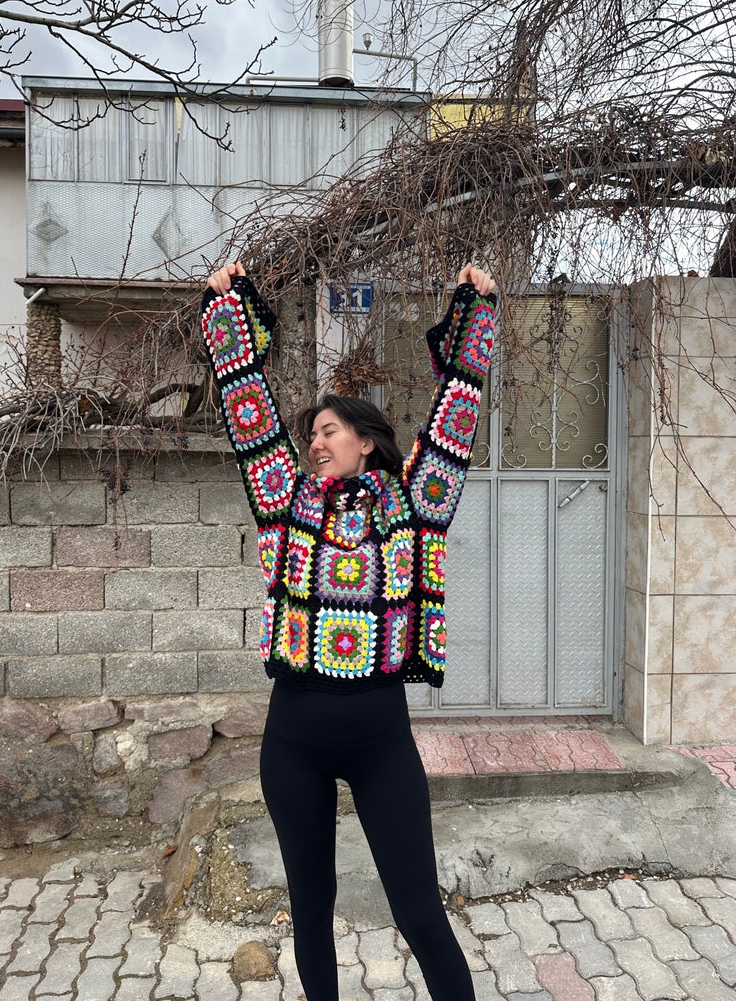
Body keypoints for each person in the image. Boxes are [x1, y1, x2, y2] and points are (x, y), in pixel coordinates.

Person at [201, 261, 496, 1001]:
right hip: (291, 744)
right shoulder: (284, 502)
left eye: (327, 430)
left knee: (421, 911)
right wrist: (228, 304)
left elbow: (457, 414)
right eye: (309, 436)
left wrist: (477, 313)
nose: (313, 443)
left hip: (381, 745)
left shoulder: (415, 503)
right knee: (312, 911)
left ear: (366, 439)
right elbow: (249, 412)